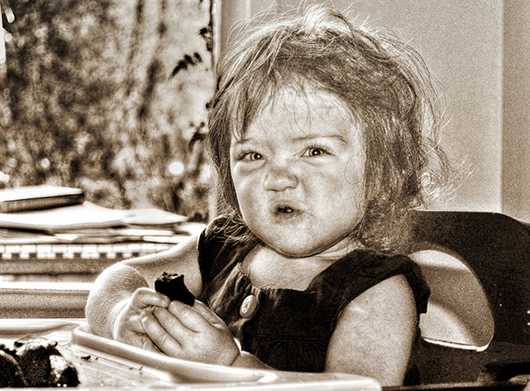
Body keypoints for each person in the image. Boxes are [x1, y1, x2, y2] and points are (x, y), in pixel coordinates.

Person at [86, 5, 453, 387]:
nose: (277, 178)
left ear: (382, 170)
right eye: (253, 155)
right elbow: (119, 278)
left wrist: (229, 367)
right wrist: (120, 317)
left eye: (314, 151)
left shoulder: (379, 291)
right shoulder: (225, 246)